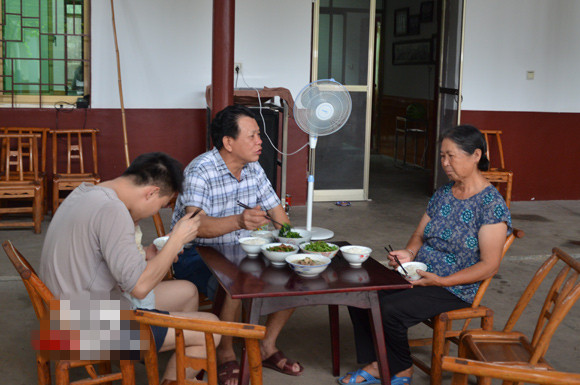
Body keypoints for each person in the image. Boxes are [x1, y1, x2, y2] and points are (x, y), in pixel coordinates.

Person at [338, 125, 512, 385]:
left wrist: (441, 281)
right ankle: (381, 362)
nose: (444, 163)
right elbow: (419, 235)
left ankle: (400, 368)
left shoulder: (491, 205)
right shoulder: (444, 193)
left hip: (455, 286)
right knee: (361, 292)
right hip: (419, 272)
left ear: (476, 155)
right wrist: (407, 254)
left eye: (451, 156)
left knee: (390, 309)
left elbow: (489, 266)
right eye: (442, 156)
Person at [40, 152, 220, 385]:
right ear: (152, 192)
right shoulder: (113, 211)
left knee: (187, 291)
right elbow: (139, 287)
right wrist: (176, 239)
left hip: (64, 311)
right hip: (83, 326)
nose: (157, 211)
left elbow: (99, 254)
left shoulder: (86, 192)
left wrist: (147, 254)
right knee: (212, 329)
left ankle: (165, 361)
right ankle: (169, 374)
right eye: (161, 205)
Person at [171, 104, 303, 385]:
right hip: (196, 253)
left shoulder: (253, 168)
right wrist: (240, 221)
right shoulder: (200, 170)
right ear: (228, 142)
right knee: (236, 277)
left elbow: (276, 211)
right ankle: (226, 353)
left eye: (259, 135)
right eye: (253, 136)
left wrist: (292, 246)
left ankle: (267, 344)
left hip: (240, 250)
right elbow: (194, 225)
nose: (260, 142)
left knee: (297, 270)